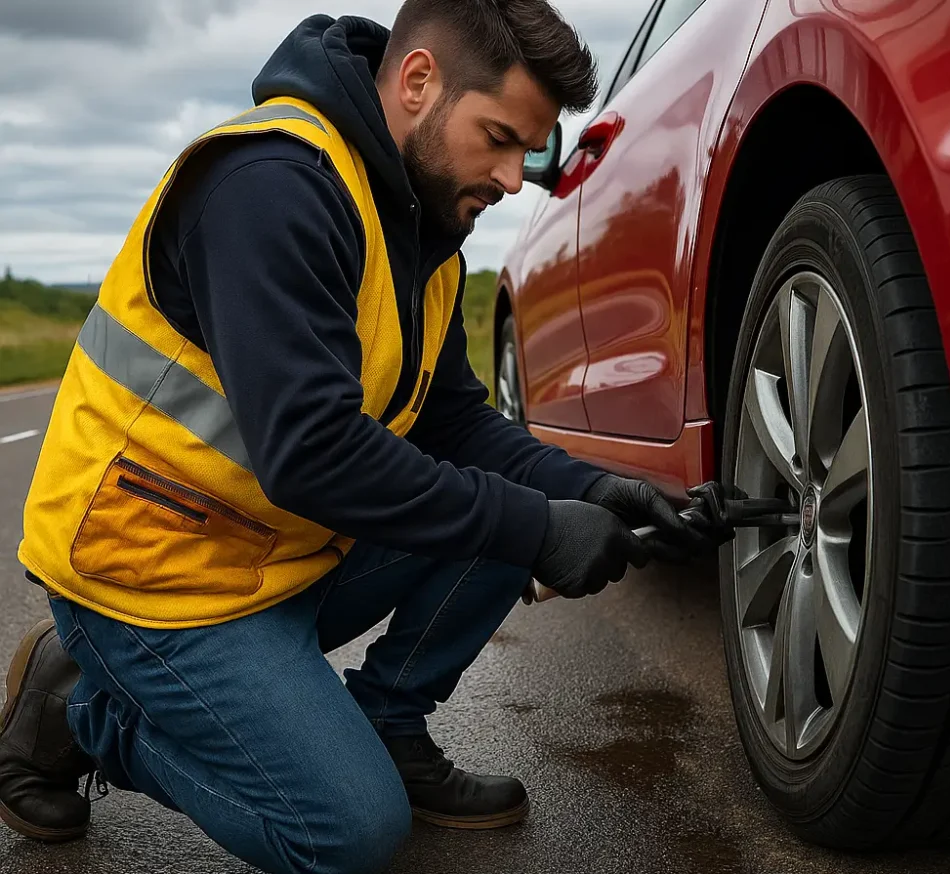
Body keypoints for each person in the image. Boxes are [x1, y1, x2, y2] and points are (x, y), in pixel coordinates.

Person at [0, 4, 734, 873]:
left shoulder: (424, 232)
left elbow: (456, 423)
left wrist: (593, 489)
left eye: (526, 154)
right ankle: (89, 709)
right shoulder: (271, 185)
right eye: (498, 137)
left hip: (270, 557)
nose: (510, 178)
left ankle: (389, 726)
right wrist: (539, 529)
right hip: (147, 577)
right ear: (419, 82)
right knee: (345, 834)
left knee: (512, 509)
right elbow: (312, 451)